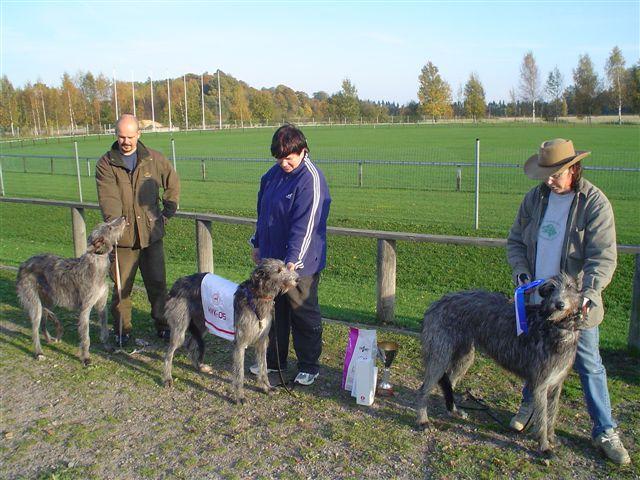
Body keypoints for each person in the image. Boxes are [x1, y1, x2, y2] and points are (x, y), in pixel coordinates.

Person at [507, 138, 630, 465]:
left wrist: (590, 291)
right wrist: (521, 273)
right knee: (535, 359)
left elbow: (603, 257)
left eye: (554, 173)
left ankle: (605, 430)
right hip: (538, 303)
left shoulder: (594, 203)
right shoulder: (535, 199)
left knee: (590, 365)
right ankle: (531, 407)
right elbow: (516, 240)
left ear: (573, 169)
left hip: (577, 308)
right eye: (545, 173)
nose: (548, 179)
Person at [249, 124, 331, 386]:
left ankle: (309, 364)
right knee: (272, 309)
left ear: (303, 151)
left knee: (302, 310)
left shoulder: (310, 180)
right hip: (272, 261)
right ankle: (274, 360)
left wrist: (293, 261)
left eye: (289, 158)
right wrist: (257, 242)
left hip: (299, 264)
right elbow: (263, 214)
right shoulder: (271, 177)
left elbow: (307, 224)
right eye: (279, 158)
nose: (284, 163)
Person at [96, 114, 180, 345]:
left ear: (138, 134)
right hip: (123, 239)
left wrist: (168, 209)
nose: (126, 141)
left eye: (130, 136)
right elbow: (109, 202)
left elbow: (172, 181)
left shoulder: (153, 159)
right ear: (116, 135)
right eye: (121, 136)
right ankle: (123, 330)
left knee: (158, 284)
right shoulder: (106, 164)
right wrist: (115, 231)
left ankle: (163, 326)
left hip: (151, 235)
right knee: (122, 288)